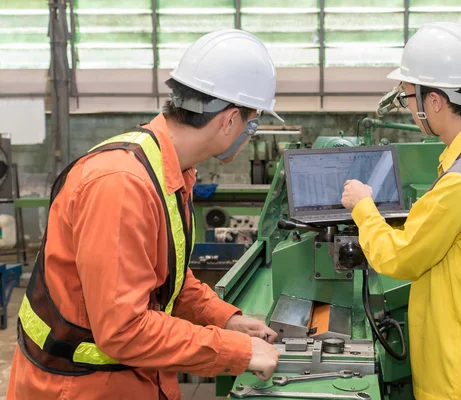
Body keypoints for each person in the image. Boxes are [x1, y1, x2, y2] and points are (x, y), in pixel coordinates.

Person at [8, 29, 282, 399]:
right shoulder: (121, 184)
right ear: (230, 119)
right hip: (79, 386)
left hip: (131, 377)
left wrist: (226, 318)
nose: (251, 133)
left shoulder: (170, 170)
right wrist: (237, 351)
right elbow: (124, 329)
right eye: (254, 122)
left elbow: (166, 280)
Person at [341, 22, 461, 399]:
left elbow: (400, 258)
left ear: (435, 102)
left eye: (408, 96)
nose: (408, 107)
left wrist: (363, 207)